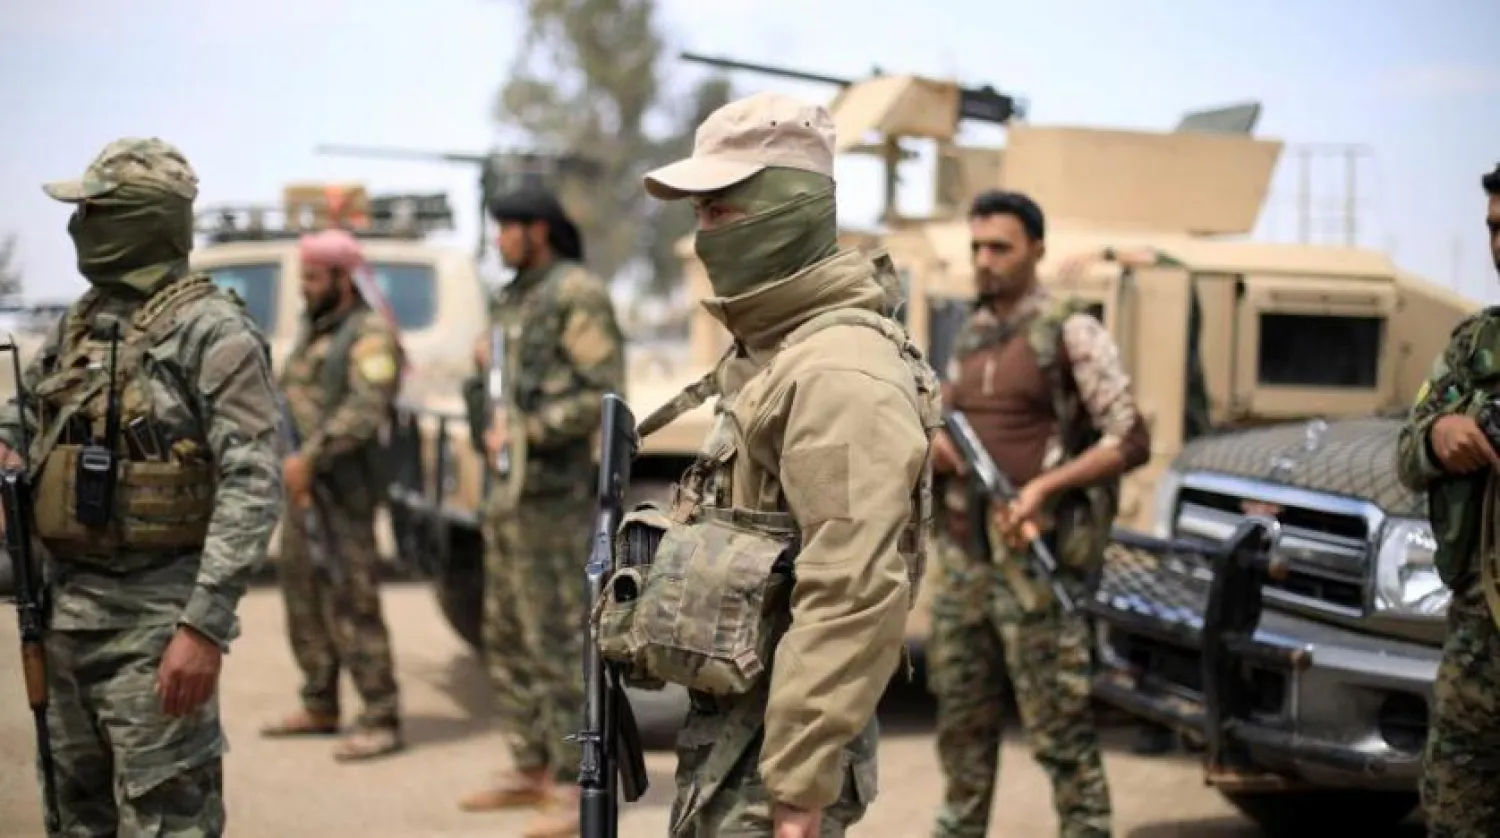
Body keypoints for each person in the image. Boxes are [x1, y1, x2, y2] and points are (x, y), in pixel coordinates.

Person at [596, 91, 942, 838]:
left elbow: (852, 593)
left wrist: (798, 791)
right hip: (735, 743)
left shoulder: (838, 373)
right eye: (699, 214)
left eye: (721, 210)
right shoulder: (777, 353)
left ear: (787, 207)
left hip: (770, 767)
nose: (703, 236)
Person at [0, 137, 283, 836]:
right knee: (74, 817)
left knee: (165, 822)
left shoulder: (213, 333)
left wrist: (203, 626)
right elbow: (24, 415)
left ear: (137, 220)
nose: (77, 226)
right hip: (64, 616)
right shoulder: (81, 321)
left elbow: (253, 481)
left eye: (93, 210)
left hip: (155, 625)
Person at [926, 189, 1151, 838]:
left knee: (1061, 735)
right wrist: (937, 447)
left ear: (1037, 251)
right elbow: (952, 417)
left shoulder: (1070, 330)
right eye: (976, 247)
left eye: (1000, 246)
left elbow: (1130, 438)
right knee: (961, 730)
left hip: (1034, 566)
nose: (984, 260)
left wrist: (1045, 489)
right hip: (966, 561)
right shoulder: (969, 334)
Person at [456, 183, 625, 838]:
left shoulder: (574, 293)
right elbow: (492, 399)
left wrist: (529, 428)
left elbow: (602, 392)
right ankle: (529, 764)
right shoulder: (513, 299)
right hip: (509, 498)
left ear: (540, 230)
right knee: (507, 634)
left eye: (508, 227)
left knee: (558, 640)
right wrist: (480, 377)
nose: (499, 239)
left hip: (552, 502)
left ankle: (569, 780)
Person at [259, 228, 405, 761]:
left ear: (343, 279)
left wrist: (311, 457)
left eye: (315, 277)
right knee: (302, 595)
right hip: (304, 491)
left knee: (353, 601)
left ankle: (380, 714)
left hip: (343, 492)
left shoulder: (368, 334)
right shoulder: (312, 329)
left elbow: (365, 411)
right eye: (303, 277)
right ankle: (319, 702)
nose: (305, 287)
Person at [1396, 161, 1500, 837]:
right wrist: (1439, 435)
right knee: (1455, 814)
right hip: (1481, 633)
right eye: (1494, 228)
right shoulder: (1476, 343)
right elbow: (1406, 452)